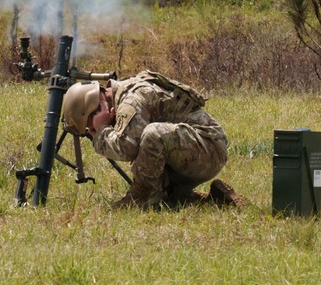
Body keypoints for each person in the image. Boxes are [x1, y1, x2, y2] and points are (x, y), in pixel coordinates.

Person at [62, 70, 242, 210]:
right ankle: (213, 200)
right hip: (198, 147)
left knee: (153, 133)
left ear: (96, 107)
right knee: (167, 199)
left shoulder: (131, 100)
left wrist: (101, 131)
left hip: (209, 147)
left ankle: (142, 197)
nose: (91, 132)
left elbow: (127, 147)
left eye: (89, 126)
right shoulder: (123, 95)